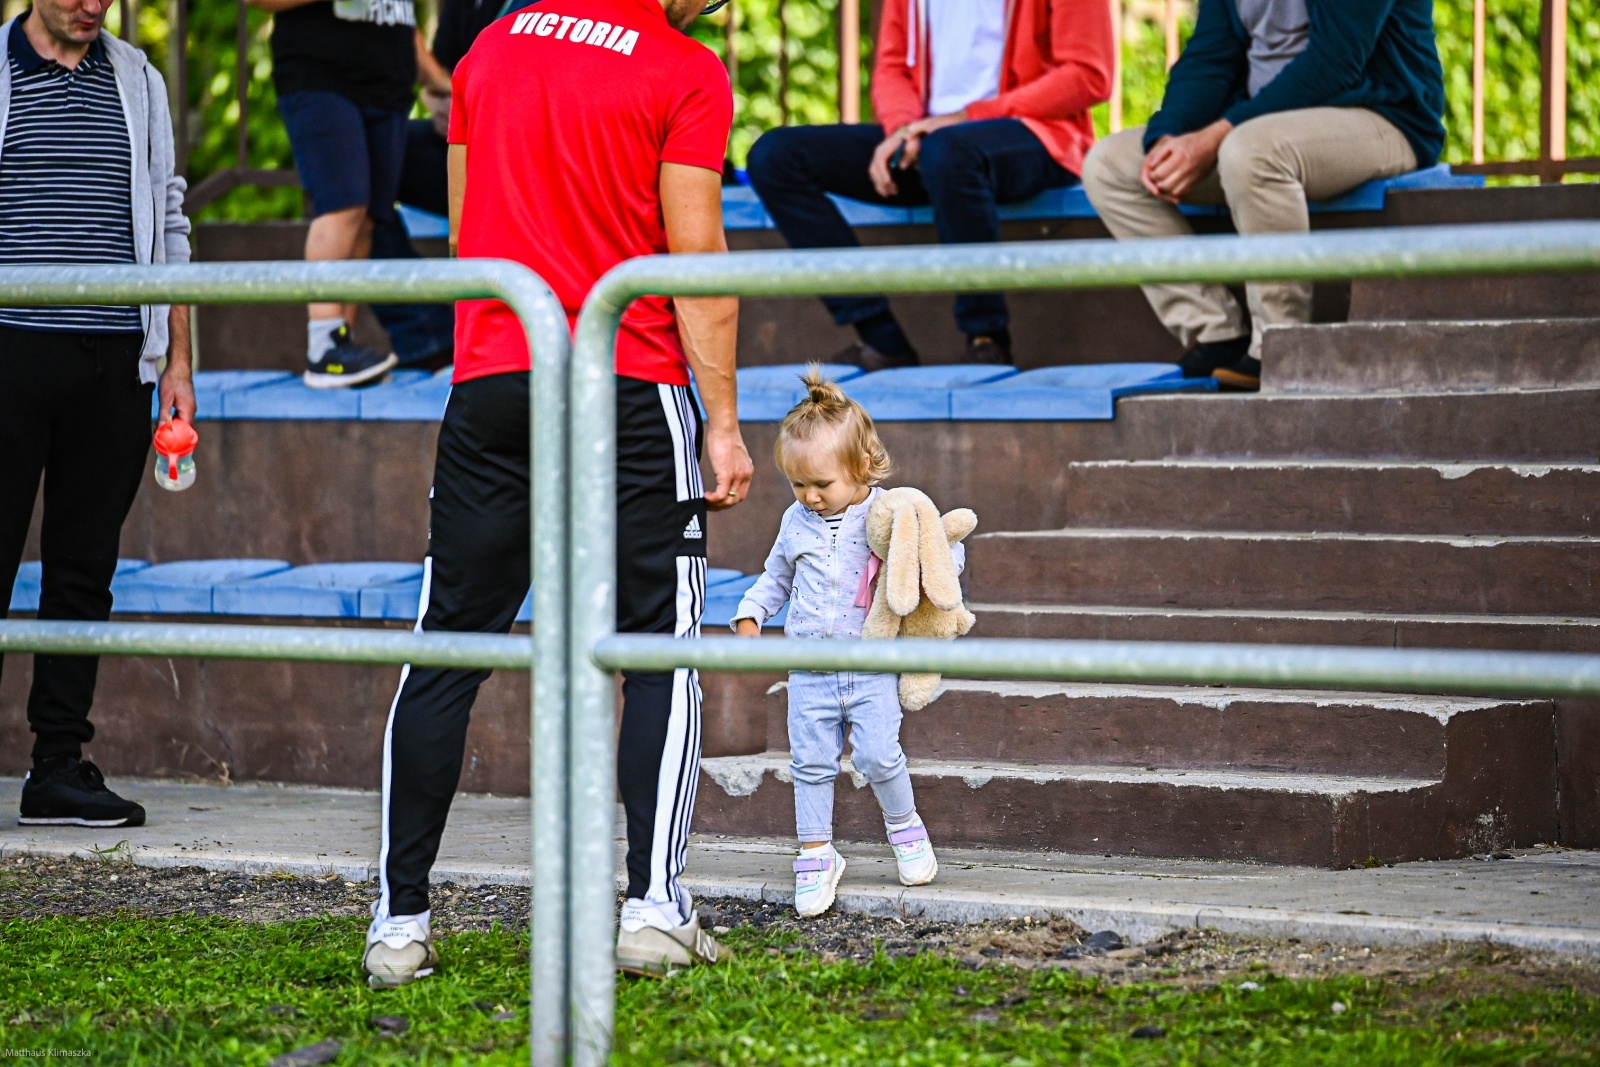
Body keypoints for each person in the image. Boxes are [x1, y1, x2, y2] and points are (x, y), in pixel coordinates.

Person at [362, 0, 753, 988]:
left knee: (445, 644)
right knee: (660, 649)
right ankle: (653, 908)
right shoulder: (683, 67)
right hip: (630, 379)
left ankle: (398, 921)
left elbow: (465, 235)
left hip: (497, 373)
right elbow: (695, 257)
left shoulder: (491, 45)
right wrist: (724, 419)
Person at [0, 0, 192, 827]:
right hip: (9, 349)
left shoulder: (138, 79)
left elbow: (171, 219)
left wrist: (180, 360)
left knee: (84, 572)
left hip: (117, 360)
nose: (94, 7)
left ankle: (57, 768)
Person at [1082, 0, 1445, 391]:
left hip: (1382, 116)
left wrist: (1217, 134)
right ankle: (1216, 332)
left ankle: (1281, 343)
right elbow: (1210, 56)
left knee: (1251, 151)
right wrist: (1170, 136)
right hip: (1260, 124)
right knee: (1111, 165)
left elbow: (1337, 59)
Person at [746, 0, 1114, 368]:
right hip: (929, 140)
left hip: (1036, 135)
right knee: (775, 156)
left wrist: (966, 117)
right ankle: (882, 340)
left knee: (950, 151)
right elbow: (892, 66)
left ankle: (986, 339)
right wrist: (902, 129)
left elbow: (1088, 74)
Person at [731, 370, 949, 919]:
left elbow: (933, 554)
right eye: (798, 485)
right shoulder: (796, 521)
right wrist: (751, 613)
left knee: (878, 755)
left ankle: (905, 827)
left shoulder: (888, 514)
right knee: (811, 764)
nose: (809, 497)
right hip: (808, 669)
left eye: (821, 485)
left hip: (870, 664)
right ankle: (815, 853)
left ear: (862, 469)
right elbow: (775, 576)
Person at [249, 0, 439, 387]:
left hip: (388, 87)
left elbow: (399, 19)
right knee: (343, 203)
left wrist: (442, 82)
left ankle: (342, 346)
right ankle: (324, 348)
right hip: (322, 77)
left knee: (368, 218)